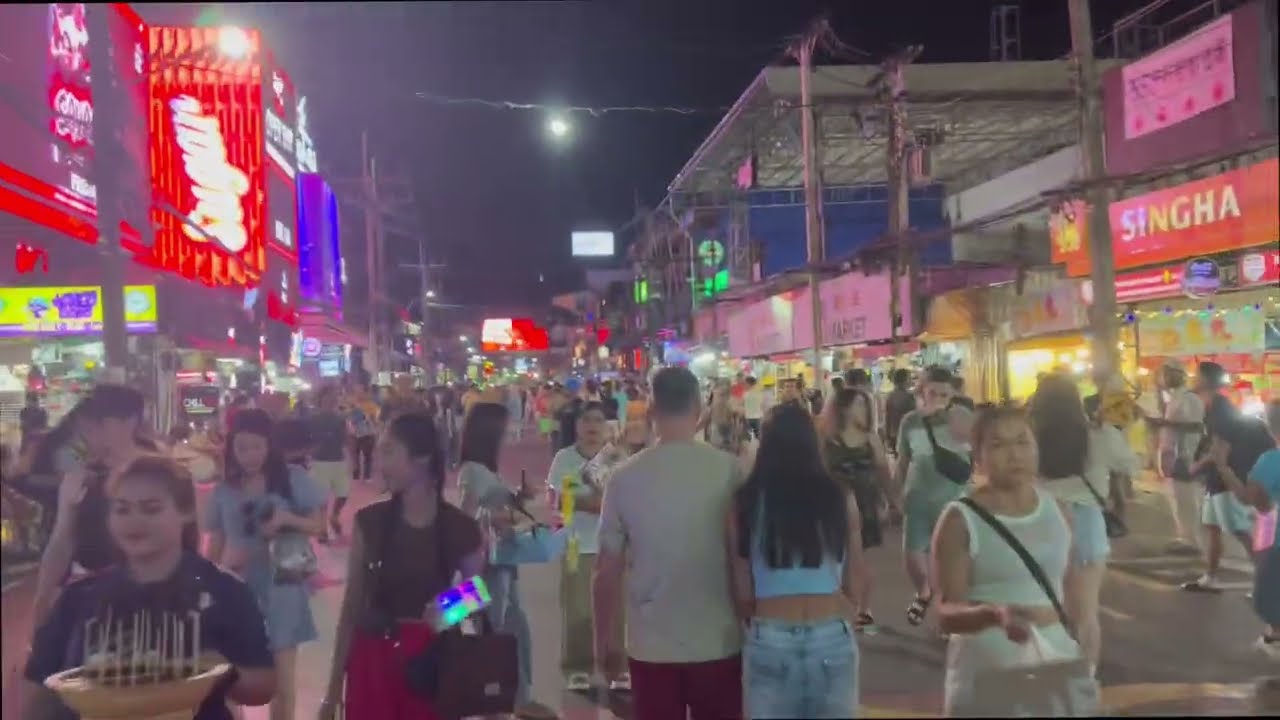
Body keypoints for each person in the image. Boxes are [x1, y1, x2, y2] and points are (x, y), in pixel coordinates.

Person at [23, 455, 277, 720]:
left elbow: (262, 688)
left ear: (186, 512)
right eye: (122, 509)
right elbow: (41, 689)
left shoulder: (223, 592)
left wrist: (217, 670)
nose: (134, 521)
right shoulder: (80, 597)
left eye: (151, 508)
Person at [592, 366, 743, 720]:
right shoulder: (730, 471)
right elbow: (744, 559)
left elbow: (605, 572)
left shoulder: (623, 478)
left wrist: (605, 644)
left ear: (651, 410)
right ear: (699, 408)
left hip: (650, 645)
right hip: (718, 639)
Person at [320, 413, 485, 720]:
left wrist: (449, 607)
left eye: (389, 451)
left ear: (422, 457)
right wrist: (331, 693)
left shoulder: (460, 527)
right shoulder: (369, 522)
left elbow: (480, 591)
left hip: (432, 664)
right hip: (371, 661)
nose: (378, 460)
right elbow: (352, 607)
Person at [932, 406, 1094, 717]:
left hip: (1055, 668)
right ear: (977, 458)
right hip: (987, 676)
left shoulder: (1059, 510)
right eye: (998, 445)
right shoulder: (960, 519)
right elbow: (945, 613)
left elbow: (1073, 590)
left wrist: (1083, 642)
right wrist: (994, 615)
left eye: (1022, 442)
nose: (1014, 455)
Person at [728, 402, 869, 718]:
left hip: (770, 634)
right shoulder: (839, 496)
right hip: (831, 632)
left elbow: (742, 590)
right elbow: (856, 578)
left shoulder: (745, 501)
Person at [204, 409, 326, 720]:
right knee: (231, 680)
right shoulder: (223, 490)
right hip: (236, 589)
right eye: (242, 447)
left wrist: (287, 519)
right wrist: (206, 584)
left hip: (282, 587)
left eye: (257, 446)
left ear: (269, 445)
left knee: (283, 680)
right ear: (231, 448)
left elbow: (318, 525)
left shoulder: (291, 479)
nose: (250, 455)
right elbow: (214, 543)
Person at [1027, 374, 1138, 673]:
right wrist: (1114, 432)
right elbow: (1131, 465)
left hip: (1039, 523)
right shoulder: (1098, 436)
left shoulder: (1027, 438)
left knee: (1043, 609)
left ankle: (1046, 672)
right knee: (1086, 614)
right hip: (1086, 524)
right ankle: (1084, 681)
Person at [457, 403, 554, 719]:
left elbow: (489, 503)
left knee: (515, 629)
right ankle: (494, 702)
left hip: (503, 563)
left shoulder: (485, 469)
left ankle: (518, 697)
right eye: (504, 429)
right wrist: (497, 516)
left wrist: (516, 498)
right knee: (493, 632)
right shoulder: (471, 471)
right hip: (486, 566)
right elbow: (464, 519)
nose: (508, 433)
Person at [30, 385, 154, 626]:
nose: (87, 437)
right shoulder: (79, 472)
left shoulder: (156, 470)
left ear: (128, 422)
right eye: (84, 429)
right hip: (90, 596)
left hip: (148, 594)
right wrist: (42, 598)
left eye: (96, 427)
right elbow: (62, 538)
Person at [545, 402, 627, 692]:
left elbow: (625, 502)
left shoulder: (618, 458)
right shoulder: (563, 459)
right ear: (577, 426)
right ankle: (577, 666)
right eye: (586, 420)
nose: (592, 426)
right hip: (576, 545)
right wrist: (590, 502)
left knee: (618, 609)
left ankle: (619, 667)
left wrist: (588, 501)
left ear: (607, 426)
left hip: (613, 546)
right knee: (578, 609)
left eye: (598, 420)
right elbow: (556, 501)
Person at [1182, 361, 1272, 593]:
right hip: (1217, 477)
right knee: (1212, 527)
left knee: (1239, 530)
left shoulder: (1221, 409)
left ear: (1204, 380)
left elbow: (1219, 451)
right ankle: (1210, 578)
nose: (1192, 378)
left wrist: (1194, 468)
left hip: (1227, 478)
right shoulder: (1213, 407)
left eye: (1196, 375)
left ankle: (1267, 582)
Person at [896, 366, 974, 627]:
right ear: (922, 391)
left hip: (953, 498)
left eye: (944, 394)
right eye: (933, 392)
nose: (938, 398)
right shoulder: (910, 421)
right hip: (917, 495)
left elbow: (976, 449)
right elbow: (903, 459)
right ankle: (924, 591)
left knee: (949, 559)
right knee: (912, 554)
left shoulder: (961, 417)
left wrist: (952, 418)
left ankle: (946, 608)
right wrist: (895, 493)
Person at [820, 387, 895, 632]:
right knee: (835, 559)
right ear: (842, 408)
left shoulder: (871, 438)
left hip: (865, 504)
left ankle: (863, 609)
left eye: (864, 404)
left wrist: (892, 501)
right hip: (834, 505)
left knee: (861, 560)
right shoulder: (826, 438)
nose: (862, 409)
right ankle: (843, 606)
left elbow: (884, 472)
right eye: (857, 404)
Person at [1216, 399, 1280, 656]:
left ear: (1268, 425)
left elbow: (1249, 497)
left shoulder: (1271, 461)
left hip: (1276, 541)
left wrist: (1222, 466)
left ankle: (1276, 634)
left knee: (1267, 595)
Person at [1149, 360, 1205, 554]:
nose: (1162, 378)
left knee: (1187, 500)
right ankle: (1184, 537)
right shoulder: (1173, 398)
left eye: (1166, 374)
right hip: (1173, 455)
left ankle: (1192, 541)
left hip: (1185, 455)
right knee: (1177, 499)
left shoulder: (1190, 398)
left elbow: (1196, 426)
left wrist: (1165, 423)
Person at [308, 387, 351, 541]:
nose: (331, 400)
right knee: (322, 499)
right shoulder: (312, 418)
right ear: (320, 400)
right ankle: (322, 529)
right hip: (320, 461)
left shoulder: (340, 418)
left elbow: (347, 438)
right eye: (328, 398)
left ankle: (334, 516)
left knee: (343, 493)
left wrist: (350, 457)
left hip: (338, 459)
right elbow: (306, 438)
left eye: (333, 398)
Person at [348, 388, 379, 485]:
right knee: (355, 456)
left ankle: (367, 475)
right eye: (357, 393)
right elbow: (347, 419)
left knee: (368, 456)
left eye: (361, 393)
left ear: (366, 393)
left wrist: (369, 418)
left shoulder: (372, 405)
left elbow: (375, 419)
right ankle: (356, 475)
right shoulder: (350, 405)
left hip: (368, 434)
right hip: (354, 435)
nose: (359, 395)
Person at [884, 368, 917, 455]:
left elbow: (887, 418)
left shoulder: (890, 396)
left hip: (894, 434)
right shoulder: (909, 397)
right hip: (908, 436)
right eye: (910, 378)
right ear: (905, 380)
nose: (912, 380)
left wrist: (887, 436)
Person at [621, 385, 650, 453]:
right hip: (642, 430)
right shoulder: (644, 405)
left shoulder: (626, 406)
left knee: (632, 452)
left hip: (630, 431)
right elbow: (648, 419)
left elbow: (623, 421)